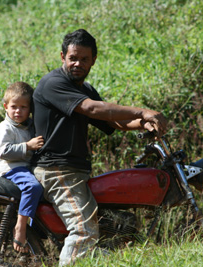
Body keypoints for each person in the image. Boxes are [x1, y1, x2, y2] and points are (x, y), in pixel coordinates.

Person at [32, 29, 168, 266]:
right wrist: (141, 110)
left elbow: (112, 121)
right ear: (62, 56)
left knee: (112, 224)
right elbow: (94, 109)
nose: (78, 64)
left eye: (84, 59)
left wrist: (143, 123)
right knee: (84, 231)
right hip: (57, 171)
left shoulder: (84, 90)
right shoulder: (53, 83)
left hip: (75, 172)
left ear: (93, 60)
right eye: (73, 58)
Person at [0, 81, 44, 253]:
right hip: (10, 169)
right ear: (5, 106)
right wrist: (27, 146)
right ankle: (21, 227)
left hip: (24, 170)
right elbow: (3, 151)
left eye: (23, 107)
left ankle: (33, 231)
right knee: (33, 186)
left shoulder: (29, 126)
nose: (18, 111)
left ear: (30, 108)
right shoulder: (4, 128)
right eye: (14, 106)